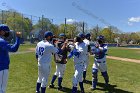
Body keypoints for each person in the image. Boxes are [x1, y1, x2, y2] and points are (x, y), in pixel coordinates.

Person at [0, 24, 21, 93]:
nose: (7, 33)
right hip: (2, 68)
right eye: (6, 31)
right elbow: (13, 49)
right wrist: (18, 38)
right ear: (1, 31)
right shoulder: (2, 41)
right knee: (2, 90)